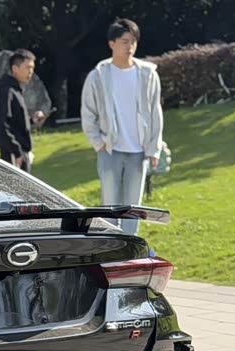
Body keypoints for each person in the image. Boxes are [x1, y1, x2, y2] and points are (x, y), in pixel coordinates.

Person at [81, 18, 164, 234]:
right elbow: (88, 113)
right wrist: (98, 143)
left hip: (139, 151)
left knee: (133, 206)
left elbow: (155, 113)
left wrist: (153, 148)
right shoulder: (98, 76)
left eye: (133, 42)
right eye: (125, 41)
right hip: (110, 149)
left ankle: (129, 246)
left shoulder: (148, 74)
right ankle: (110, 244)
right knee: (110, 204)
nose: (130, 47)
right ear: (112, 44)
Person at [0, 49, 46, 173]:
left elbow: (15, 123)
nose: (30, 72)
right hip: (14, 157)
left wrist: (31, 121)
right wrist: (17, 152)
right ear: (15, 69)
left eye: (32, 68)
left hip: (21, 154)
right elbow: (2, 126)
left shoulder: (16, 91)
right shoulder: (7, 91)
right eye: (27, 67)